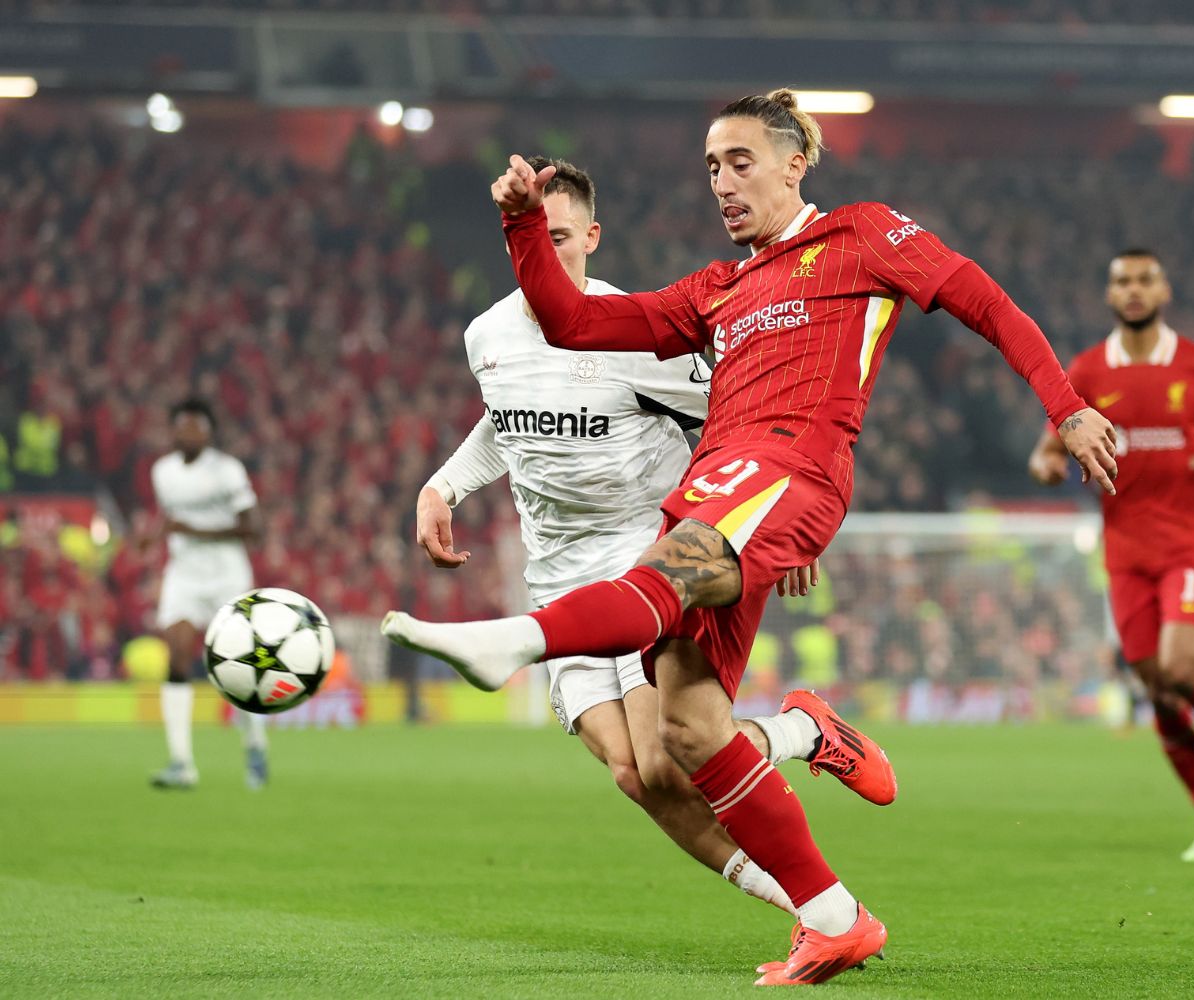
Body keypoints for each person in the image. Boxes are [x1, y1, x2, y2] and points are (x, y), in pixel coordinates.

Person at [383, 88, 1114, 986]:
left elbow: (985, 302)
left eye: (739, 163)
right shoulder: (717, 288)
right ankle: (833, 908)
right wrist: (526, 228)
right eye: (710, 168)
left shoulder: (861, 235)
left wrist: (1067, 407)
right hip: (718, 486)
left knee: (664, 580)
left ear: (794, 163)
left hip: (789, 468)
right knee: (687, 733)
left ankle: (509, 643)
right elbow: (573, 324)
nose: (722, 184)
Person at [400, 156, 892, 919]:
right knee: (634, 776)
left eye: (562, 235)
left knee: (671, 759)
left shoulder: (628, 334)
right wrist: (445, 485)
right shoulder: (486, 335)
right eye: (534, 235)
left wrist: (772, 527)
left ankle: (802, 742)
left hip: (647, 559)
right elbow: (509, 422)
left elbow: (742, 418)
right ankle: (808, 902)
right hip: (556, 573)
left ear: (592, 238)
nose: (548, 251)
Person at [1029, 249, 1194, 862]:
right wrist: (1049, 466)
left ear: (1163, 289)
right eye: (1122, 282)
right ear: (1110, 295)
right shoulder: (1085, 369)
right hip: (1126, 549)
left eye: (1143, 280)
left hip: (1192, 539)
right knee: (1158, 688)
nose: (1133, 291)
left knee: (1181, 666)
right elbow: (1048, 449)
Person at [146, 398, 268, 790]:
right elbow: (171, 520)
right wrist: (156, 535)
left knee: (236, 666)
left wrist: (193, 531)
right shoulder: (161, 472)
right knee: (177, 656)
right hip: (184, 576)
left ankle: (254, 743)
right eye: (180, 426)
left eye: (195, 426)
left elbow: (253, 528)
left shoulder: (227, 470)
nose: (187, 433)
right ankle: (182, 763)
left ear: (209, 431)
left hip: (227, 576)